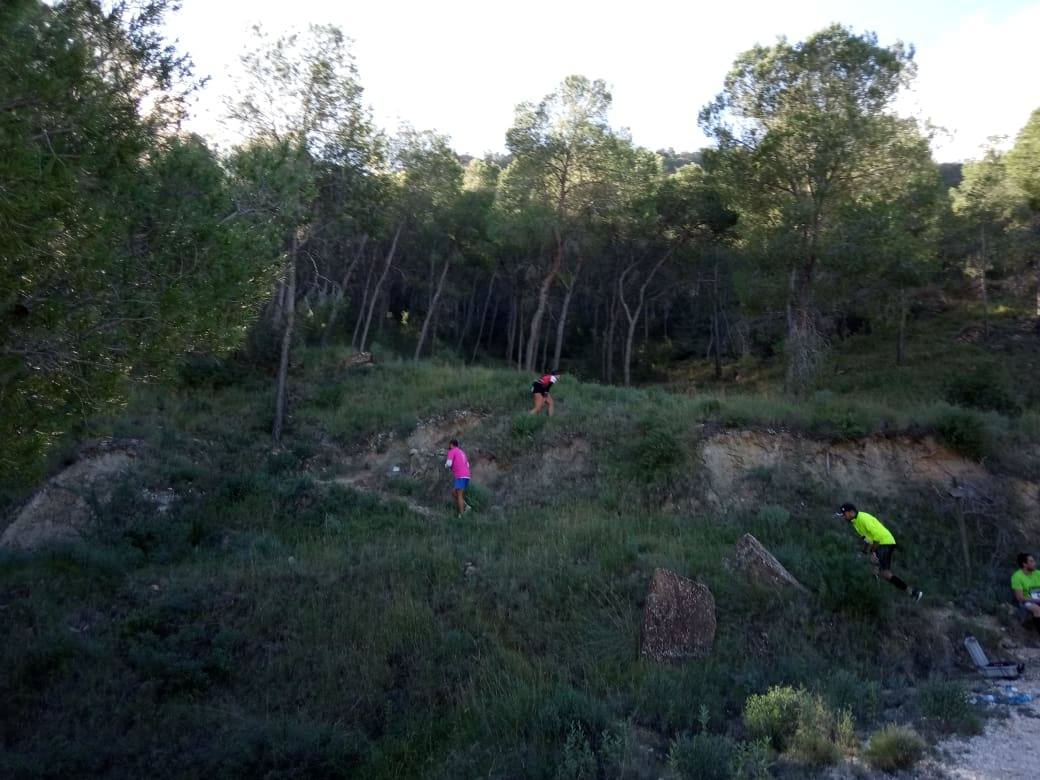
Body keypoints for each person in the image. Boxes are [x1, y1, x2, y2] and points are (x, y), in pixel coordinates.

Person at [837, 502, 923, 601]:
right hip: (882, 543)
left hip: (884, 542)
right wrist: (864, 552)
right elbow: (867, 538)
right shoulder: (855, 522)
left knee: (880, 571)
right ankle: (911, 593)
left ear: (851, 512)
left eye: (844, 514)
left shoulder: (863, 518)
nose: (843, 517)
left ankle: (879, 597)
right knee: (880, 572)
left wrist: (873, 552)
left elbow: (877, 536)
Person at [1011, 552, 1040, 635]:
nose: (1034, 563)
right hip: (1027, 601)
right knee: (1037, 609)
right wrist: (1036, 599)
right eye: (1031, 562)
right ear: (1024, 564)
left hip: (1038, 596)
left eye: (1034, 561)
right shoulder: (1017, 577)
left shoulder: (1038, 573)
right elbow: (1020, 597)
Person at [444, 439, 470, 516]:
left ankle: (462, 514)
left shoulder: (452, 451)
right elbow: (467, 465)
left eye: (449, 445)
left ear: (451, 444)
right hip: (467, 475)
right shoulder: (462, 452)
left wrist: (445, 466)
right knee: (454, 492)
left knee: (459, 495)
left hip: (460, 475)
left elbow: (448, 464)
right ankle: (466, 506)